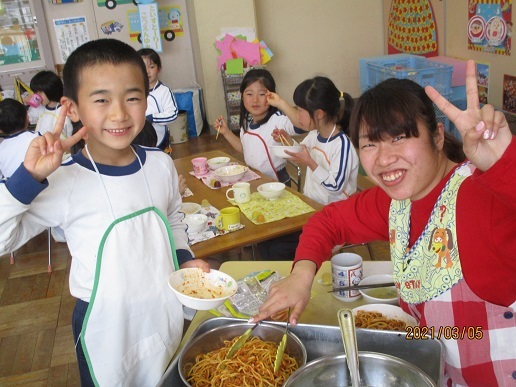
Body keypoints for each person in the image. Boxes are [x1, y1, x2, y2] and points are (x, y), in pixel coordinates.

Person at [250, 60, 516, 386]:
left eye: (400, 137)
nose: (384, 158)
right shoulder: (396, 202)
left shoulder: (480, 197)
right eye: (370, 144)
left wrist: (505, 163)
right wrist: (301, 275)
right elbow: (327, 221)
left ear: (436, 136)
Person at [0, 38, 210, 386]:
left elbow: (171, 216)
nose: (119, 113)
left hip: (161, 309)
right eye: (101, 100)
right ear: (73, 108)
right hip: (105, 326)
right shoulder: (63, 180)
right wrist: (31, 176)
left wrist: (184, 257)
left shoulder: (159, 165)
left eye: (132, 97)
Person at [268, 76, 359, 204]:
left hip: (336, 213)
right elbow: (301, 152)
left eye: (300, 110)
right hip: (313, 204)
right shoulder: (314, 134)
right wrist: (286, 139)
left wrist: (310, 163)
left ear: (319, 114)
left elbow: (336, 187)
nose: (297, 115)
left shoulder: (342, 145)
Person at [214, 68, 304, 185]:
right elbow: (244, 148)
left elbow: (301, 125)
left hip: (277, 184)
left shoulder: (277, 120)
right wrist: (226, 132)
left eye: (261, 94)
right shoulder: (247, 121)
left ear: (271, 96)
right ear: (242, 97)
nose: (255, 100)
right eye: (249, 94)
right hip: (254, 178)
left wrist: (280, 103)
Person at [137, 48, 178, 150]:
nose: (147, 71)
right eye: (143, 67)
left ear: (158, 68)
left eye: (151, 67)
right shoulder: (134, 91)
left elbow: (172, 114)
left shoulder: (164, 91)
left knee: (162, 162)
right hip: (138, 139)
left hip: (160, 139)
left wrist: (152, 118)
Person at [0, 98, 40, 179]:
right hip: (40, 184)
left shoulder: (1, 148)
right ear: (27, 117)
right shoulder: (36, 138)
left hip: (12, 189)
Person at [29, 70, 73, 138]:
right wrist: (27, 105)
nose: (37, 96)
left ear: (50, 90)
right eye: (35, 92)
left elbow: (69, 134)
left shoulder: (63, 110)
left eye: (40, 92)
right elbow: (29, 118)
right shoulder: (39, 108)